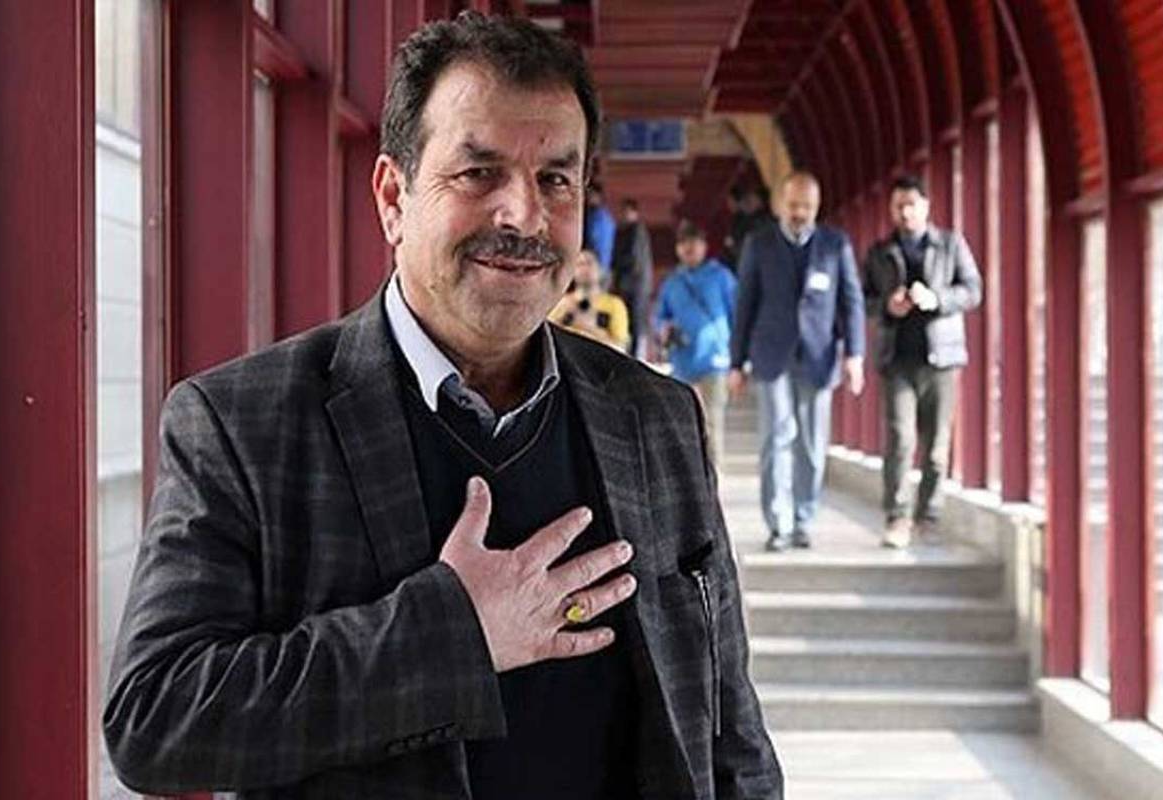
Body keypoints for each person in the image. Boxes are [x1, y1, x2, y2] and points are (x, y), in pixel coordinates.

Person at [103, 11, 781, 799]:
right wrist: (452, 636)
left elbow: (731, 733)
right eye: (479, 173)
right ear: (394, 197)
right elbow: (155, 718)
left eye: (556, 180)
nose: (523, 215)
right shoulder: (244, 424)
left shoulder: (656, 419)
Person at [728, 172, 865, 551]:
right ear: (779, 205)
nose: (799, 213)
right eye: (792, 205)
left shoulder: (835, 245)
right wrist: (736, 362)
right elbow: (744, 304)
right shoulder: (759, 244)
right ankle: (778, 524)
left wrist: (855, 354)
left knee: (811, 443)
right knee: (775, 438)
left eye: (806, 206)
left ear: (817, 207)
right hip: (771, 355)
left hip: (819, 356)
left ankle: (804, 517)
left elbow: (851, 302)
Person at [863, 174, 982, 548]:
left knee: (936, 445)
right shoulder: (880, 252)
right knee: (900, 438)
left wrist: (937, 299)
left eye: (911, 204)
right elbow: (863, 300)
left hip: (941, 359)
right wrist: (888, 306)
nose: (905, 212)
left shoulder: (950, 244)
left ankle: (928, 516)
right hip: (897, 358)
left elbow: (973, 290)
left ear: (926, 206)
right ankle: (897, 516)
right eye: (898, 205)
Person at [655, 220, 739, 466]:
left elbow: (737, 314)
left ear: (704, 246)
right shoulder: (672, 282)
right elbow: (659, 316)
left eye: (694, 243)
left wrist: (738, 360)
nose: (688, 249)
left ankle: (714, 476)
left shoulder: (721, 277)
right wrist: (664, 329)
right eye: (683, 244)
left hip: (715, 359)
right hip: (682, 361)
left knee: (712, 421)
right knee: (682, 423)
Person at [550, 248, 630, 351]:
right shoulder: (561, 304)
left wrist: (587, 328)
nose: (585, 269)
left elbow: (620, 348)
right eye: (580, 264)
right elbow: (549, 341)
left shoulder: (614, 305)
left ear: (600, 270)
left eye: (589, 263)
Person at [610, 197, 653, 356]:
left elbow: (634, 259)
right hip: (625, 283)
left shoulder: (637, 231)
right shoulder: (621, 230)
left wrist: (617, 266)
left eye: (628, 211)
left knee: (635, 322)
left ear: (635, 212)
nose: (625, 214)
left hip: (635, 285)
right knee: (624, 320)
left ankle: (634, 355)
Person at [584, 181, 616, 282]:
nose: (588, 198)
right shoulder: (603, 216)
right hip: (602, 265)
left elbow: (595, 241)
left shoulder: (599, 217)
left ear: (598, 196)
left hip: (597, 265)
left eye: (591, 195)